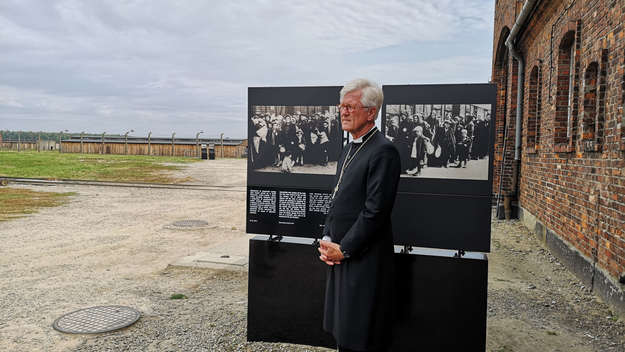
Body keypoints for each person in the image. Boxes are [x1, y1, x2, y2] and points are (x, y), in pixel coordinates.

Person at [318, 78, 401, 352]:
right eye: (342, 106)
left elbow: (375, 211)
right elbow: (338, 197)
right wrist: (328, 238)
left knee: (361, 334)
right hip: (339, 252)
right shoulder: (349, 147)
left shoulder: (384, 150)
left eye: (351, 107)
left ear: (371, 112)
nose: (343, 112)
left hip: (363, 257)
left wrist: (345, 249)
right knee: (344, 331)